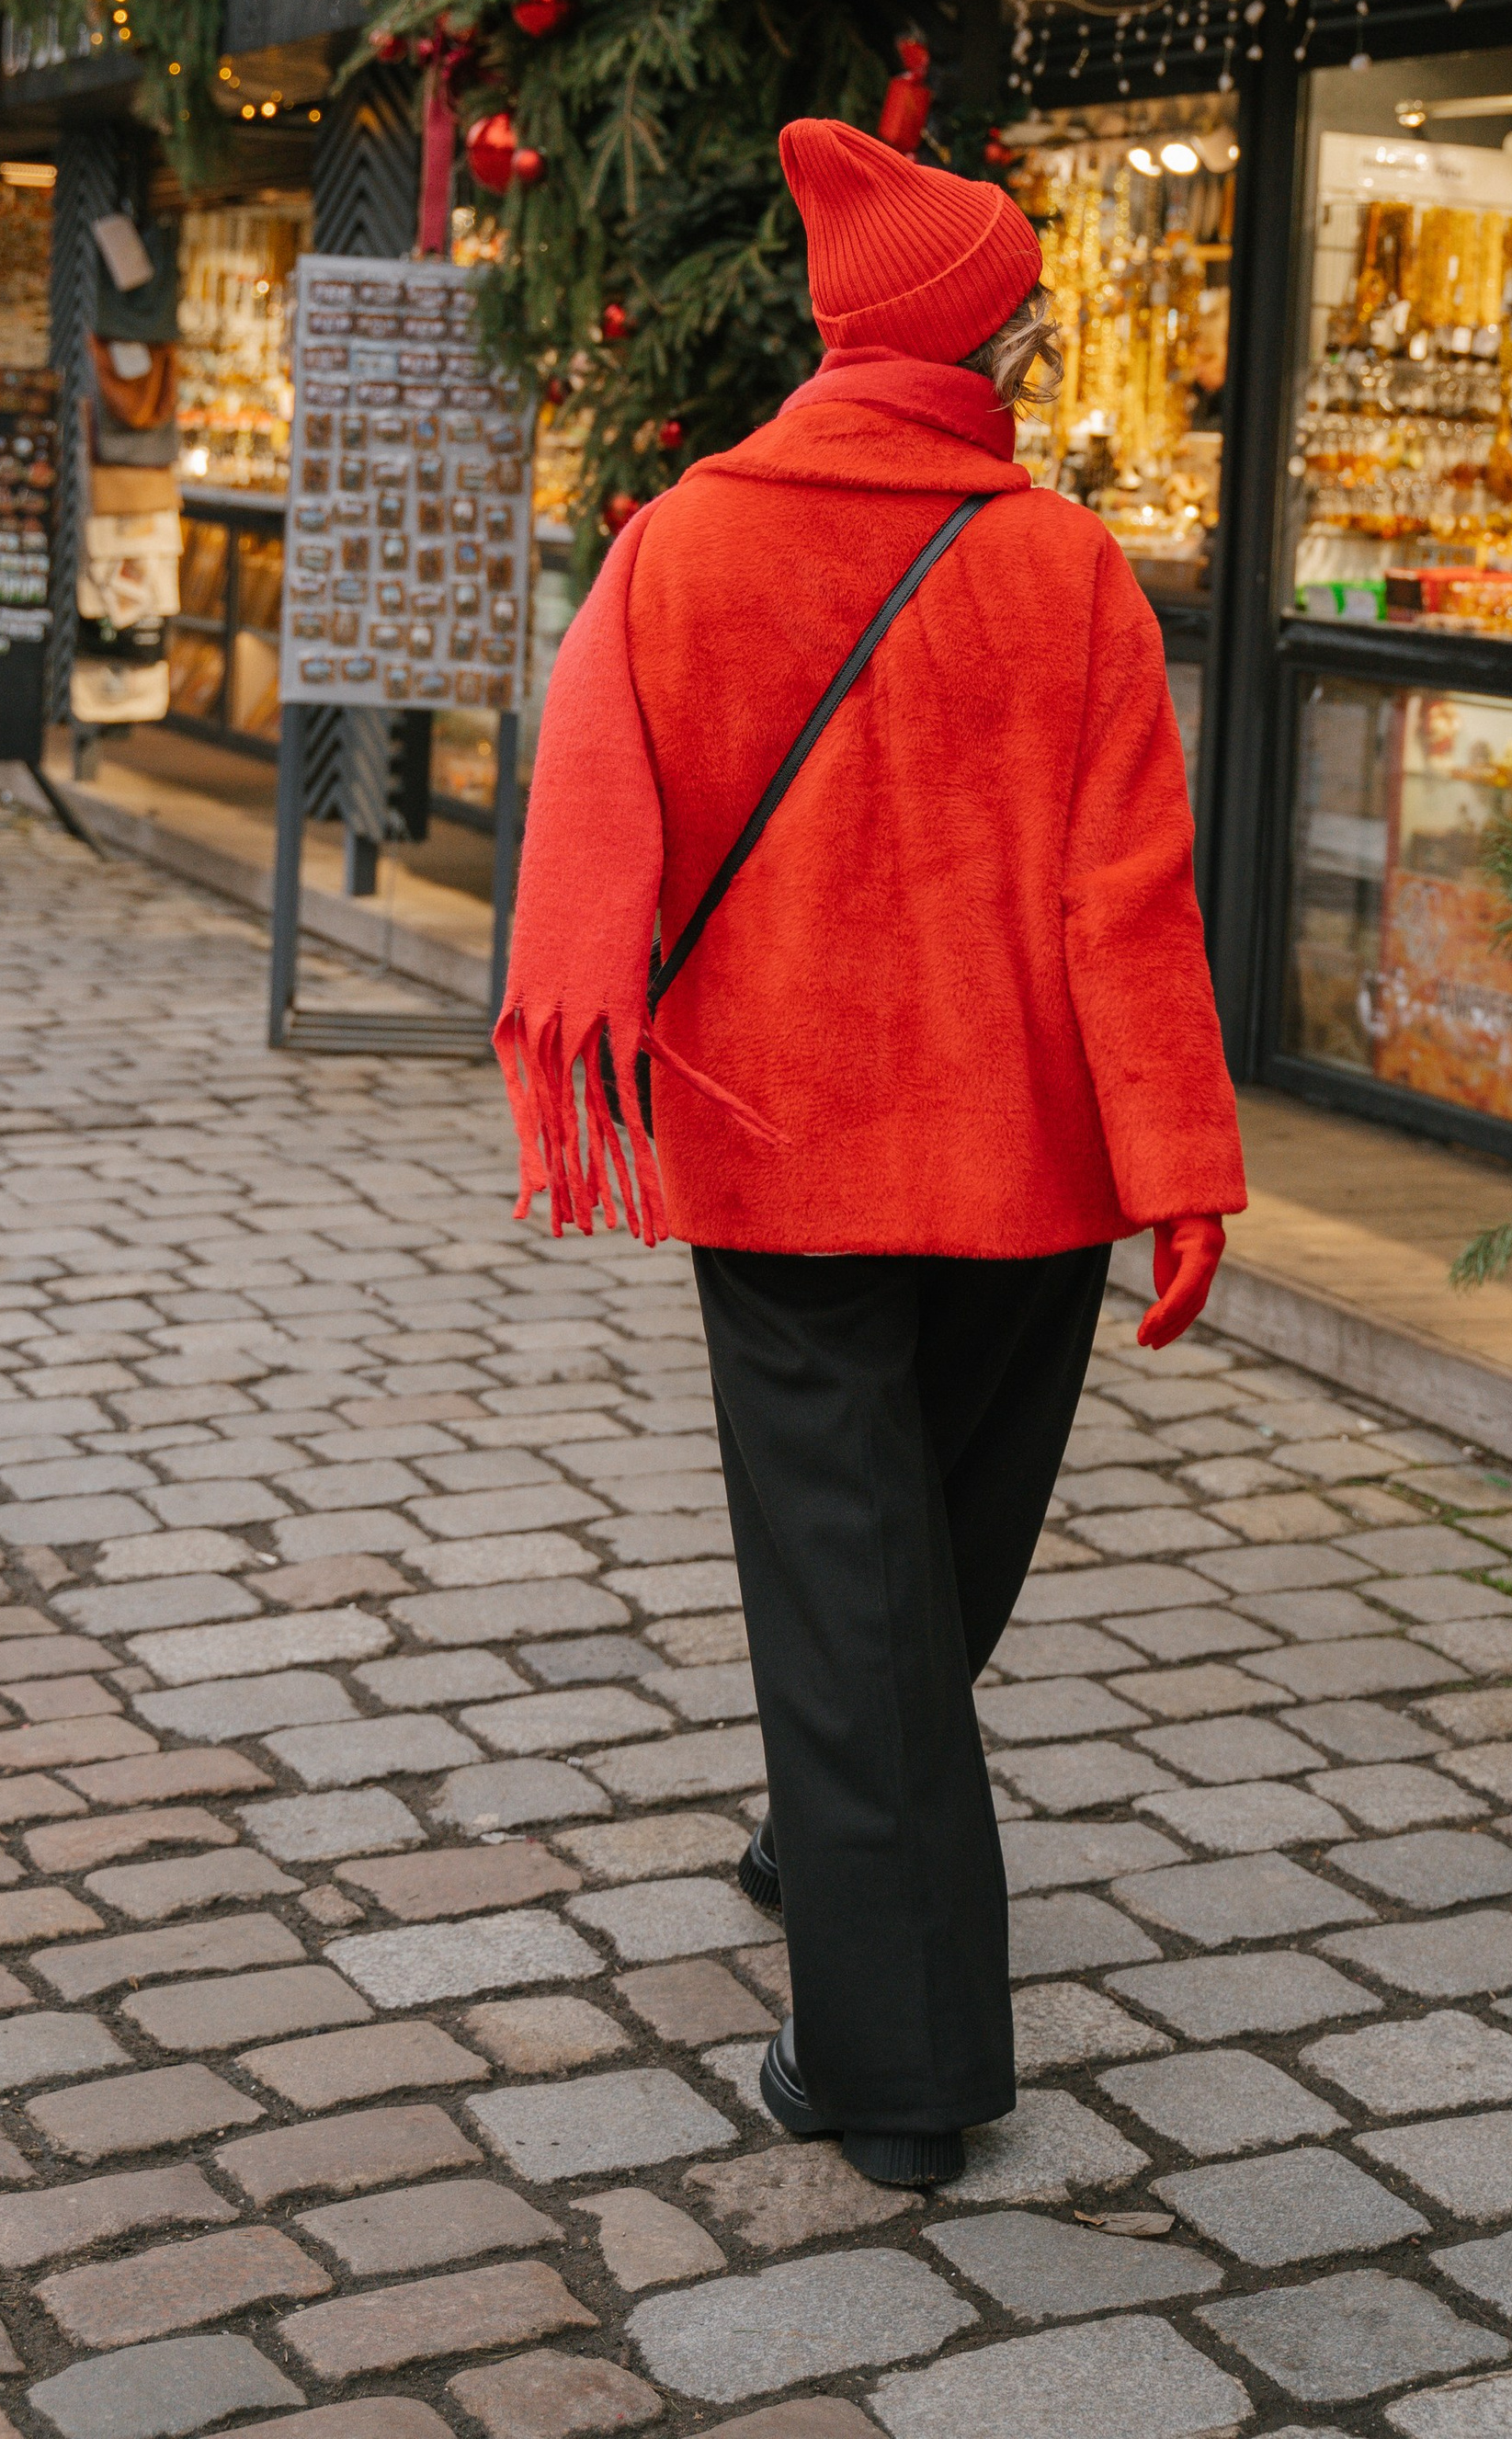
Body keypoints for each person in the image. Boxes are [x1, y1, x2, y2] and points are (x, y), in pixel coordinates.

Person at [496, 117, 1246, 2189]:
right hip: (1026, 1170)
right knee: (924, 1554)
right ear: (970, 329)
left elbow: (588, 829)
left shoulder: (684, 541)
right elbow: (1130, 905)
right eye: (1011, 297)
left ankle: (854, 1902)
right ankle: (902, 2064)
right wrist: (1172, 1159)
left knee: (859, 1572)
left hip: (791, 1148)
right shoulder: (1061, 560)